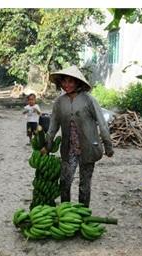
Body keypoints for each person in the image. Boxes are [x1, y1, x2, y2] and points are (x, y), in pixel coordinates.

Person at [40, 65, 114, 208]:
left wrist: (108, 146)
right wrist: (47, 146)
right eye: (64, 81)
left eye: (70, 81)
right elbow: (53, 126)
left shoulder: (88, 100)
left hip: (88, 149)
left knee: (84, 185)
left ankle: (82, 214)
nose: (66, 85)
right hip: (69, 150)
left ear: (78, 83)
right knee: (65, 182)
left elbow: (102, 123)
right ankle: (65, 212)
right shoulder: (59, 102)